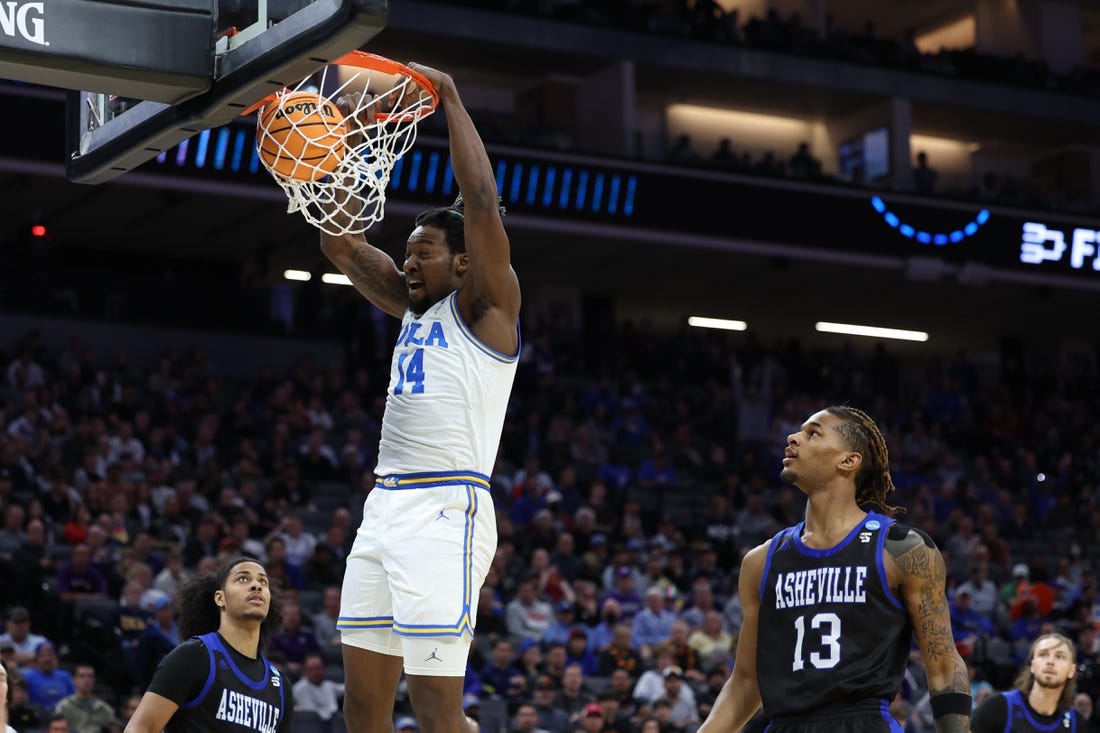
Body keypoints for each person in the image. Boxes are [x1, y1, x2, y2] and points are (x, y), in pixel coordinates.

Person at [321, 61, 521, 733]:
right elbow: (340, 244)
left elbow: (483, 202)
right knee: (364, 704)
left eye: (424, 252)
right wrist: (330, 143)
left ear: (463, 262)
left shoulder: (487, 308)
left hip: (446, 507)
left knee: (437, 708)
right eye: (406, 252)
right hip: (386, 507)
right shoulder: (409, 308)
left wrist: (454, 98)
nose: (407, 262)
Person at [697, 405, 970, 732]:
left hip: (863, 723)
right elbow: (746, 681)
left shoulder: (900, 548)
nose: (793, 438)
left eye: (813, 433)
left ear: (848, 461)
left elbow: (942, 664)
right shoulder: (760, 562)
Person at [123, 557, 293, 733]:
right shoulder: (195, 656)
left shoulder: (279, 685)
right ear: (220, 598)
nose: (256, 585)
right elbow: (139, 728)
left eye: (262, 581)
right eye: (243, 578)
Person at [971, 633, 1084, 732]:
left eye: (1059, 656)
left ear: (1071, 670)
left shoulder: (1077, 723)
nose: (1050, 661)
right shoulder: (999, 706)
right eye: (1043, 654)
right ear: (1032, 665)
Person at [53, 665, 119, 733]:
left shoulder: (104, 708)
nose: (87, 680)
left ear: (94, 680)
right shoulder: (63, 707)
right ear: (73, 679)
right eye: (82, 676)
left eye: (90, 676)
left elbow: (115, 729)